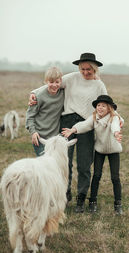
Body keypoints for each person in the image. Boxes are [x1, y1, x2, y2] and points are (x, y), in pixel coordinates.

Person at [29, 53, 108, 213]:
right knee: (64, 162)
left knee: (84, 164)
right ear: (79, 68)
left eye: (89, 70)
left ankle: (81, 197)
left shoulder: (99, 85)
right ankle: (64, 195)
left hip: (87, 125)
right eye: (83, 69)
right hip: (67, 122)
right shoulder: (72, 78)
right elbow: (51, 84)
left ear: (95, 69)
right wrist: (33, 93)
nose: (85, 72)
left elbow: (106, 104)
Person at [62, 95, 123, 215]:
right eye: (98, 105)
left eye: (103, 106)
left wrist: (116, 133)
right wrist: (73, 130)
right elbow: (84, 125)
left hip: (114, 151)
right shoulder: (94, 117)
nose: (100, 108)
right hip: (100, 150)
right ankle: (92, 202)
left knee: (115, 177)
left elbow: (115, 126)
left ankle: (118, 204)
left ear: (109, 108)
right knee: (96, 175)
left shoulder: (113, 118)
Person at [26, 66, 64, 156]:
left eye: (57, 82)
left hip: (54, 138)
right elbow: (30, 116)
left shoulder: (63, 93)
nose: (54, 85)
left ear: (61, 81)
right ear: (46, 82)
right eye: (51, 82)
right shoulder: (38, 96)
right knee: (44, 165)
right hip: (39, 137)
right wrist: (33, 132)